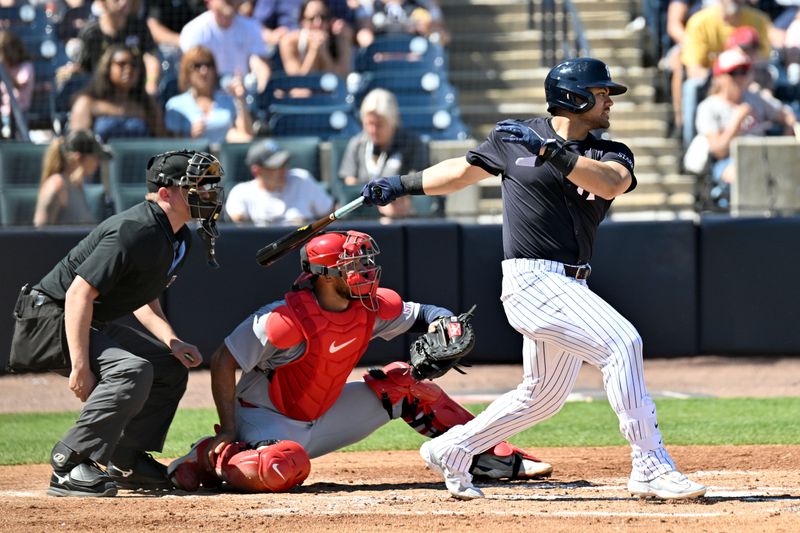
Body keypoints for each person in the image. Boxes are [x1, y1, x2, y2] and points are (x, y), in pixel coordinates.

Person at [359, 57, 708, 501]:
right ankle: (650, 465)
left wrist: (552, 152)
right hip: (531, 279)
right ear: (573, 97)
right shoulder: (515, 139)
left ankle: (453, 447)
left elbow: (611, 184)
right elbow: (462, 172)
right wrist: (400, 184)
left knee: (542, 395)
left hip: (570, 284)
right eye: (601, 94)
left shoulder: (609, 152)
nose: (608, 102)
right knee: (623, 343)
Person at [166, 229, 553, 493]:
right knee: (283, 466)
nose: (365, 271)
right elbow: (222, 360)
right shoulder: (284, 320)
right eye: (353, 266)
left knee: (405, 386)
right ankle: (210, 456)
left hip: (325, 413)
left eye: (365, 263)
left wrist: (445, 324)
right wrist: (230, 428)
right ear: (324, 275)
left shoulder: (371, 304)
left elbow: (427, 313)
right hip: (265, 419)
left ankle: (488, 455)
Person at [8, 149, 226, 497]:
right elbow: (79, 294)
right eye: (197, 187)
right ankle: (69, 462)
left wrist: (172, 341)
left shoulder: (176, 236)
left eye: (208, 187)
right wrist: (80, 366)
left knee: (169, 367)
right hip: (50, 319)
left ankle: (125, 459)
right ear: (166, 193)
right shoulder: (135, 229)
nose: (208, 195)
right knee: (132, 370)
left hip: (84, 319)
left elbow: (144, 296)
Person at [694, 47, 796, 207]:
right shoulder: (708, 107)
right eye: (734, 73)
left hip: (764, 155)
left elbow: (788, 116)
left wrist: (789, 136)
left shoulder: (754, 97)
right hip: (729, 161)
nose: (740, 78)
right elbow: (718, 150)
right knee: (739, 173)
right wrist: (736, 122)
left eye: (744, 72)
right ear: (720, 77)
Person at [679, 0, 772, 147]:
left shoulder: (758, 19)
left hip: (749, 78)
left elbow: (764, 60)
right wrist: (723, 76)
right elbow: (693, 68)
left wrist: (743, 76)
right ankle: (687, 146)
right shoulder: (700, 21)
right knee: (691, 87)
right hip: (715, 78)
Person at [338, 88, 427, 219]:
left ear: (392, 122)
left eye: (379, 124)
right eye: (369, 124)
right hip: (362, 215)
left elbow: (415, 183)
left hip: (399, 215)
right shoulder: (357, 144)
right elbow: (350, 184)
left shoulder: (413, 144)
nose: (373, 130)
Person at [224, 139, 334, 225]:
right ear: (257, 170)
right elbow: (238, 230)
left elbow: (330, 214)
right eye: (276, 166)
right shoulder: (241, 192)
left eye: (285, 163)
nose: (283, 170)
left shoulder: (302, 179)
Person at [69, 45, 165, 142]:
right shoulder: (87, 104)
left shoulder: (147, 105)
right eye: (121, 64)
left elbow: (162, 141)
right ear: (107, 67)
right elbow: (77, 146)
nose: (128, 69)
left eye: (134, 64)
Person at [165, 46, 254, 145]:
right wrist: (190, 139)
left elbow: (246, 138)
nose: (204, 71)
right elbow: (169, 146)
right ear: (186, 72)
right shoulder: (175, 105)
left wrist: (240, 99)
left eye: (208, 64)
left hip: (224, 159)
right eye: (197, 65)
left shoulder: (228, 100)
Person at [180, 0, 272, 93]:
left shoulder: (252, 27)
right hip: (207, 97)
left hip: (242, 96)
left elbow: (260, 65)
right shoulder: (194, 30)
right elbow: (190, 74)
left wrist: (258, 92)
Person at [73, 0, 161, 96]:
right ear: (102, 2)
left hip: (134, 93)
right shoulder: (91, 33)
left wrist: (151, 83)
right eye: (116, 0)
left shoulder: (139, 27)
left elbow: (151, 59)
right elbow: (82, 69)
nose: (124, 2)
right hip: (101, 94)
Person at [33, 129, 112, 227]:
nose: (98, 163)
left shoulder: (76, 185)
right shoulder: (57, 185)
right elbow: (40, 233)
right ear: (78, 157)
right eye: (95, 157)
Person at [279, 0, 353, 78]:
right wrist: (313, 52)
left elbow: (341, 80)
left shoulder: (341, 40)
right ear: (302, 21)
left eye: (323, 17)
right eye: (311, 19)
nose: (318, 23)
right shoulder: (289, 42)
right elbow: (297, 85)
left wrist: (324, 54)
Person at [0, 30, 34, 138]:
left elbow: (19, 85)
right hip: (4, 112)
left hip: (20, 112)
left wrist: (4, 71)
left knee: (19, 138)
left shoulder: (26, 66)